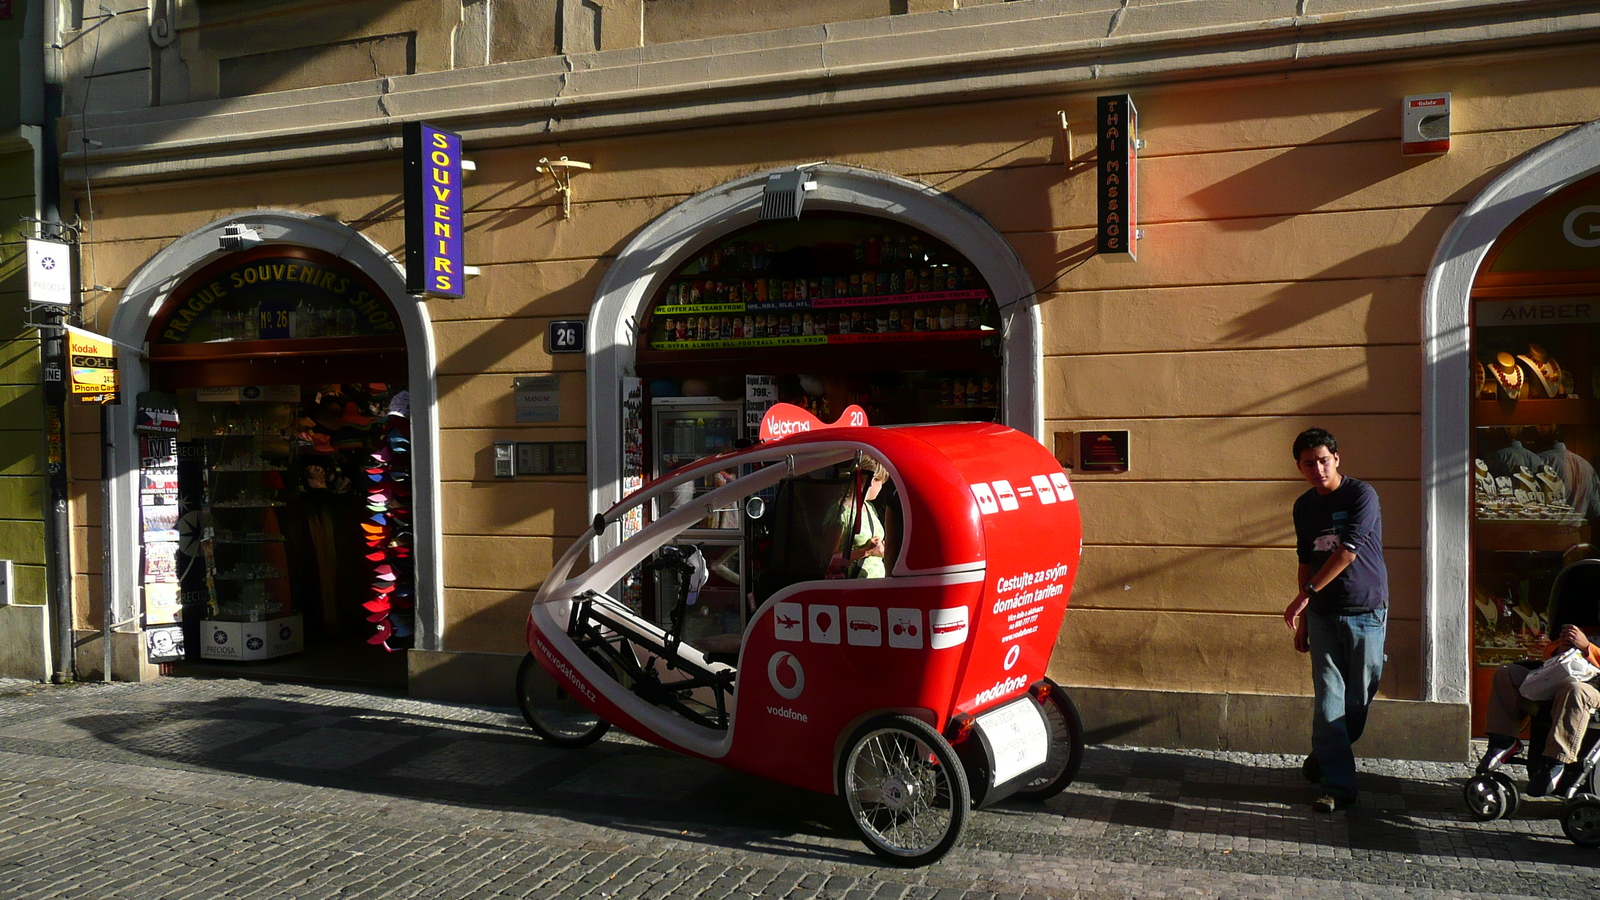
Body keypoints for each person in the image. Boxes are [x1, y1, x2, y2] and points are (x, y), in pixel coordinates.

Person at [1283, 428, 1389, 813]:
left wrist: (1302, 598)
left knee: (1357, 702)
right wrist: (1309, 615)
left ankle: (1323, 756)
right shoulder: (1303, 506)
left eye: (1323, 460)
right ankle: (1338, 785)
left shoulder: (1362, 495)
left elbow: (1347, 552)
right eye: (1308, 463)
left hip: (1366, 610)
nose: (1317, 468)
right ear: (1299, 467)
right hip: (1325, 616)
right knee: (1329, 704)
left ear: (1337, 459)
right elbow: (1305, 560)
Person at [1478, 621, 1600, 796]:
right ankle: (1502, 740)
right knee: (1506, 673)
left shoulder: (1587, 640)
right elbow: (1547, 652)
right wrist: (1560, 649)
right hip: (1559, 679)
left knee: (1575, 691)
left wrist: (1588, 648)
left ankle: (1555, 762)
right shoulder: (1588, 629)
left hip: (1592, 688)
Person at [840, 456, 889, 578]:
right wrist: (867, 551)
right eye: (881, 483)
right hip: (854, 585)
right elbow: (829, 558)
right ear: (872, 481)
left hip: (875, 583)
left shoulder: (870, 508)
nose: (881, 488)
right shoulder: (841, 512)